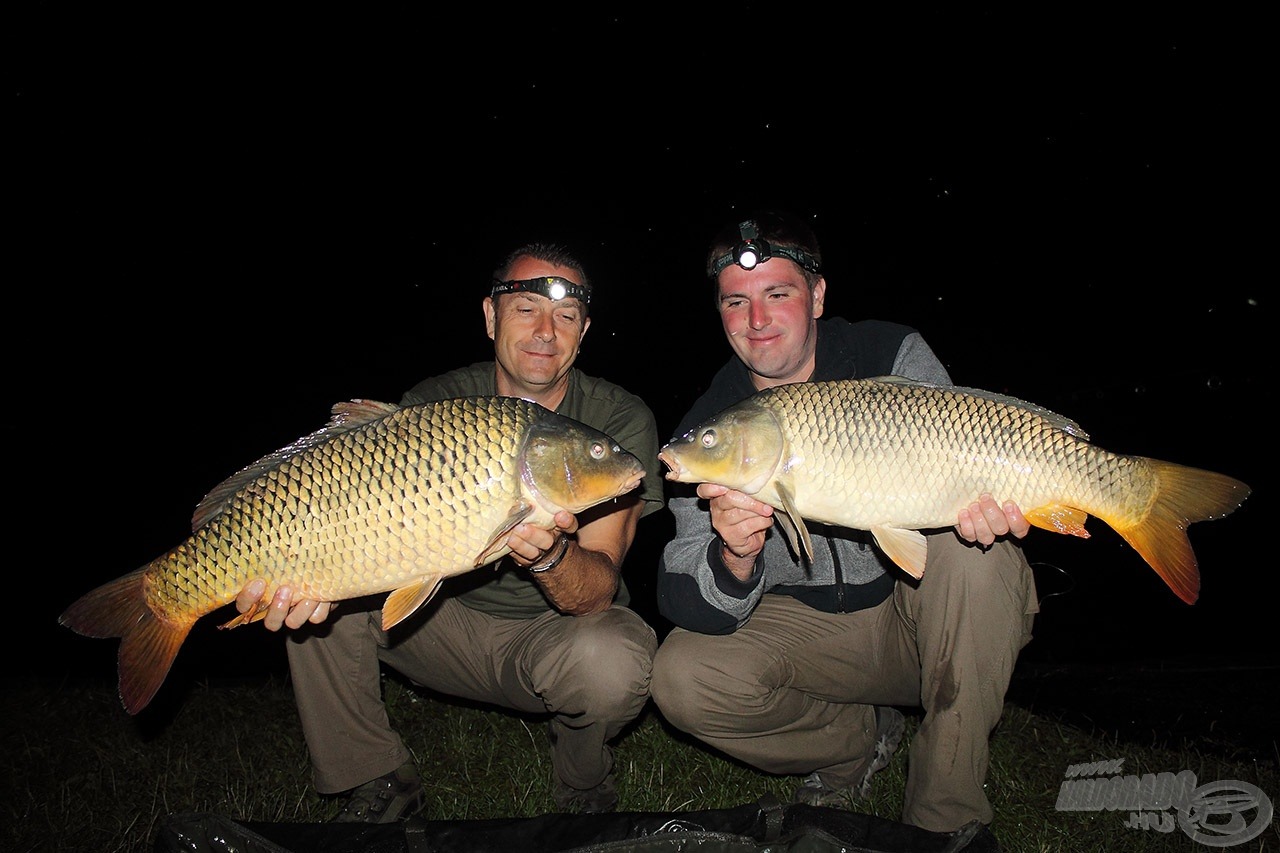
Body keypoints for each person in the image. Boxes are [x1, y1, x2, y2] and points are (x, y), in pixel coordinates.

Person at [234, 242, 665, 822]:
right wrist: (298, 569)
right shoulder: (435, 403)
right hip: (434, 628)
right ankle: (375, 779)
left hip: (549, 640)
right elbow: (365, 529)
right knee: (321, 584)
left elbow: (596, 592)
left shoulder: (617, 419)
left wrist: (548, 556)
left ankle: (582, 784)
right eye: (525, 309)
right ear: (490, 317)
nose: (545, 331)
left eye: (565, 317)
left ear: (583, 332)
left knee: (615, 658)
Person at [649, 210, 1039, 834]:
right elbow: (679, 597)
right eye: (735, 302)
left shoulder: (889, 352)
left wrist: (982, 506)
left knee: (977, 555)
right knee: (680, 676)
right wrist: (735, 557)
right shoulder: (710, 424)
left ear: (818, 295)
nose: (757, 320)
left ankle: (944, 815)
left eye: (778, 294)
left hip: (920, 622)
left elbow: (972, 440)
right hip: (814, 644)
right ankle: (855, 746)